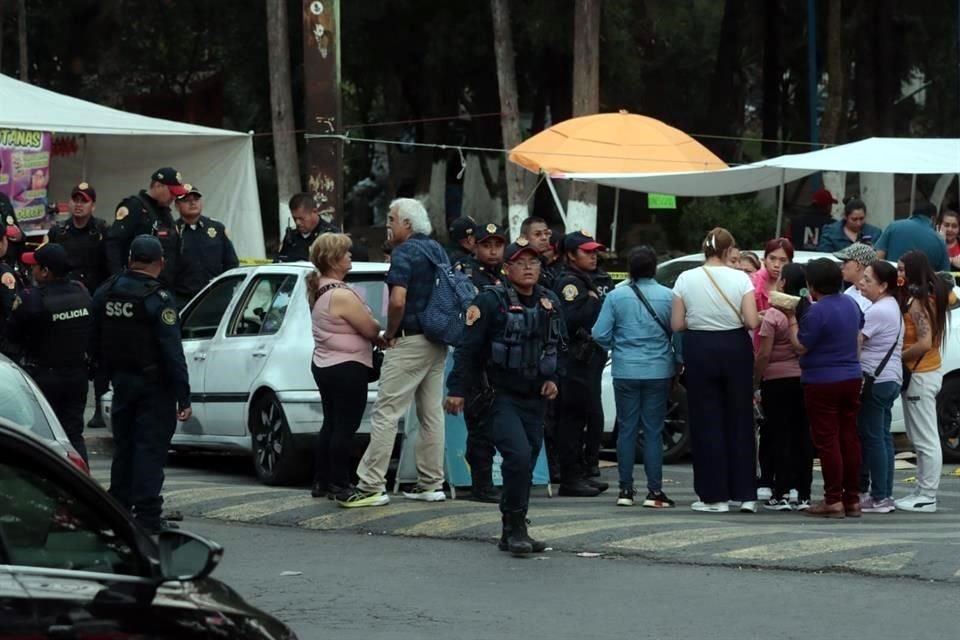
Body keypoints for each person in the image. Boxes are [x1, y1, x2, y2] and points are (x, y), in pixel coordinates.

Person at [445, 237, 565, 556]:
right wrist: (456, 390)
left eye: (534, 263)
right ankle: (516, 529)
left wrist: (553, 378)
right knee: (519, 456)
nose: (528, 268)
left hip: (533, 397)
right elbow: (467, 350)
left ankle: (512, 527)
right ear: (507, 268)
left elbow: (558, 346)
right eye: (521, 263)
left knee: (524, 462)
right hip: (497, 395)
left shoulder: (549, 301)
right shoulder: (489, 302)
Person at [339, 198, 449, 508]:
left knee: (386, 412)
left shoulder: (405, 253)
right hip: (438, 339)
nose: (388, 225)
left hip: (410, 340)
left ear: (408, 225)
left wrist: (389, 332)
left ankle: (371, 483)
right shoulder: (437, 250)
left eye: (392, 219)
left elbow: (398, 300)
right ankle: (431, 483)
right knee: (431, 414)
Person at [89, 235, 191, 534]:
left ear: (130, 259)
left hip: (120, 382)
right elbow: (172, 351)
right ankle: (147, 515)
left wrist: (101, 376)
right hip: (154, 387)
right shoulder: (156, 298)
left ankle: (118, 507)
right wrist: (182, 395)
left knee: (125, 447)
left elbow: (93, 340)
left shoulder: (106, 291)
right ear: (160, 262)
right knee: (149, 450)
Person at [672, 228, 760, 513]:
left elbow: (677, 324)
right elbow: (751, 321)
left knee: (706, 420)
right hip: (735, 345)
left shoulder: (686, 278)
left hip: (700, 347)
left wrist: (700, 318)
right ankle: (745, 493)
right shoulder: (740, 278)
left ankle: (714, 496)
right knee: (740, 418)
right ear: (728, 251)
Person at [592, 246, 677, 508]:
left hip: (625, 369)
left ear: (630, 269)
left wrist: (618, 346)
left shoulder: (617, 297)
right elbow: (678, 332)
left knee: (626, 429)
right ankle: (654, 491)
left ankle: (625, 491)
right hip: (658, 370)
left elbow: (599, 333)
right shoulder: (669, 296)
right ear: (653, 269)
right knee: (653, 431)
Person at [784, 258, 863, 518]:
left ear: (812, 286)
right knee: (848, 437)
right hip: (851, 376)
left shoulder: (817, 311)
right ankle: (852, 499)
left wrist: (792, 319)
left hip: (822, 379)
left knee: (828, 441)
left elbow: (800, 346)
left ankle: (832, 499)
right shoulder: (851, 304)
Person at [306, 233, 381, 501]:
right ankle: (340, 484)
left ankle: (322, 481)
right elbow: (370, 328)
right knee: (345, 427)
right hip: (347, 366)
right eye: (346, 253)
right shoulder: (341, 295)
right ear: (333, 259)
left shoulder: (321, 289)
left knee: (331, 423)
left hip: (326, 364)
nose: (350, 256)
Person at [9, 244, 92, 462]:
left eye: (34, 266)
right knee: (74, 435)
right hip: (77, 376)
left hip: (44, 378)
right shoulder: (81, 292)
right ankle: (82, 488)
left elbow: (12, 336)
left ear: (45, 271)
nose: (31, 271)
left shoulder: (32, 299)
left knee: (42, 439)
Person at [553, 230, 611, 497]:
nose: (593, 256)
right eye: (586, 252)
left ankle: (582, 472)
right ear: (571, 255)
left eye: (594, 251)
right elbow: (569, 318)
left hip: (588, 358)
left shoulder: (587, 279)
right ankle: (570, 478)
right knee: (572, 420)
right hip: (574, 360)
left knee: (583, 417)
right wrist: (591, 301)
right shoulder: (570, 283)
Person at [753, 263, 813, 511]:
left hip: (776, 382)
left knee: (779, 436)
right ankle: (803, 492)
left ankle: (780, 492)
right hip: (803, 380)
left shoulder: (774, 315)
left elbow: (764, 354)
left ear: (784, 283)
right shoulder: (809, 312)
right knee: (802, 436)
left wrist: (756, 379)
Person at [894, 251, 951, 513]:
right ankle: (922, 490)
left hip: (920, 374)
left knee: (925, 438)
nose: (900, 274)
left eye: (904, 270)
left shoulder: (918, 301)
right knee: (921, 437)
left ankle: (928, 494)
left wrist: (897, 357)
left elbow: (924, 342)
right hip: (929, 372)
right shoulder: (936, 294)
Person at [453, 222, 506, 502]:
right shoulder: (468, 276)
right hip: (479, 362)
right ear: (475, 246)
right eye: (487, 245)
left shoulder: (509, 274)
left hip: (506, 365)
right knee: (481, 427)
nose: (494, 251)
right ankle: (481, 484)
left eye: (498, 245)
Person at [856, 261, 903, 514]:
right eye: (862, 278)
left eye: (868, 280)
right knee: (883, 438)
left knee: (874, 438)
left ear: (884, 285)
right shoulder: (891, 306)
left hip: (876, 379)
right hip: (889, 378)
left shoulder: (878, 311)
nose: (862, 283)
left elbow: (858, 343)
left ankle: (879, 497)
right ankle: (884, 494)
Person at [750, 237, 793, 498]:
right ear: (764, 258)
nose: (777, 265)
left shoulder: (792, 283)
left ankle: (780, 480)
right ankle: (763, 477)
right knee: (763, 426)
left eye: (783, 260)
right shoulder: (754, 283)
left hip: (785, 361)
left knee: (782, 426)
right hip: (758, 354)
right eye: (773, 259)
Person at [106, 168, 186, 288]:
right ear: (158, 186)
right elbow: (113, 243)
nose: (174, 197)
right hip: (136, 284)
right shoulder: (135, 207)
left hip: (162, 285)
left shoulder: (165, 214)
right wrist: (118, 278)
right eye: (172, 192)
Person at [171, 184, 240, 308]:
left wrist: (225, 289)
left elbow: (231, 263)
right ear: (177, 205)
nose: (192, 203)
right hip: (184, 301)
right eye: (186, 200)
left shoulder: (216, 228)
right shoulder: (172, 231)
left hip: (216, 299)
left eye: (196, 200)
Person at [46, 182, 110, 294]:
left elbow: (110, 265)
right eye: (76, 200)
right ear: (70, 203)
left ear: (93, 206)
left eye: (84, 201)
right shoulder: (57, 231)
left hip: (94, 292)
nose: (79, 205)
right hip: (64, 292)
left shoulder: (103, 231)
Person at [875, 204, 950, 271]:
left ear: (913, 214)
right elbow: (945, 276)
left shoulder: (893, 227)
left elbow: (878, 258)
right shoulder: (939, 240)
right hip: (922, 285)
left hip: (892, 282)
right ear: (933, 219)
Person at [277, 193, 338, 262]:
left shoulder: (331, 235)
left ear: (315, 212)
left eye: (301, 218)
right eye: (294, 218)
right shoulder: (291, 236)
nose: (297, 222)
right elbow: (280, 262)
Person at [817, 198, 883, 251]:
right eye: (854, 219)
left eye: (861, 219)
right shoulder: (830, 232)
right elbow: (824, 255)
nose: (858, 223)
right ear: (845, 216)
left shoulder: (875, 233)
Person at [833, 242, 876, 314]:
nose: (841, 267)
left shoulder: (874, 295)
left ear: (858, 265)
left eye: (845, 262)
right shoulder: (848, 292)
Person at [520, 216, 557, 289]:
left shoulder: (545, 263)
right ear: (524, 237)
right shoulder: (517, 263)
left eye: (546, 233)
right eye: (537, 234)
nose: (544, 238)